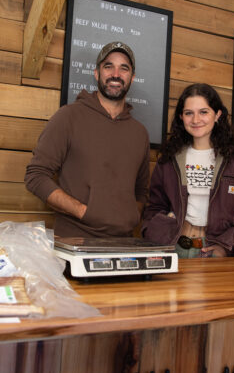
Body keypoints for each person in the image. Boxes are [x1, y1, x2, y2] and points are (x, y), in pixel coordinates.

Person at [24, 41, 150, 238]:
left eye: (123, 68)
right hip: (76, 243)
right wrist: (84, 212)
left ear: (132, 78)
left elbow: (141, 191)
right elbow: (36, 176)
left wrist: (131, 216)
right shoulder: (68, 117)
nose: (116, 74)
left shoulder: (140, 133)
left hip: (124, 245)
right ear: (97, 73)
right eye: (108, 66)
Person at [141, 83, 234, 257]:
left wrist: (230, 246)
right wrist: (155, 237)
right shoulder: (168, 158)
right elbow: (155, 207)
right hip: (173, 248)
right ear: (181, 116)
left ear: (217, 114)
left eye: (204, 112)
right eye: (189, 113)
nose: (196, 120)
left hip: (214, 252)